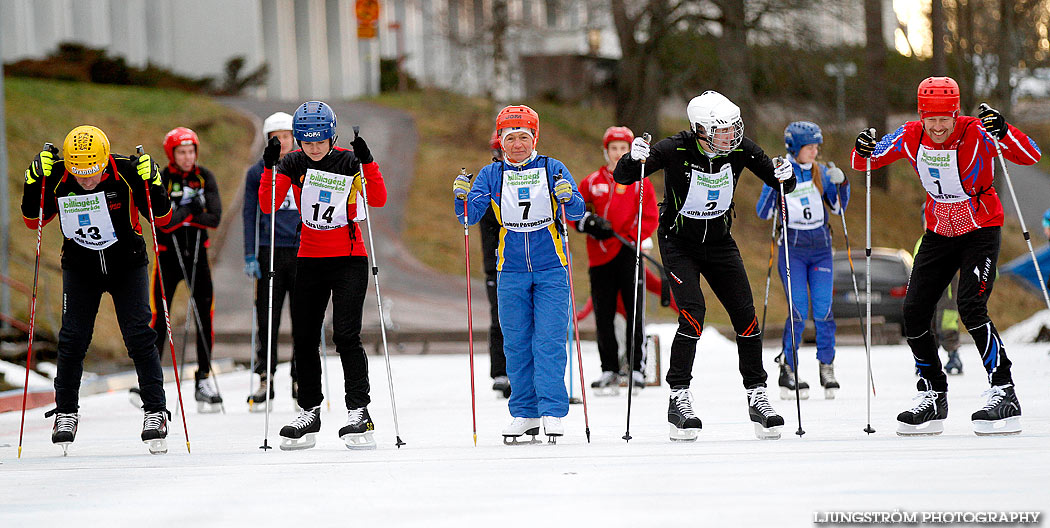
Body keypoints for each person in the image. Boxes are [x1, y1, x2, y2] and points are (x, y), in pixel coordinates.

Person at [851, 76, 1041, 435]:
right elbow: (866, 162)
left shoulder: (978, 131)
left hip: (980, 227)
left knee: (971, 306)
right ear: (921, 115)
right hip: (938, 231)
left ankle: (1004, 390)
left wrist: (1003, 130)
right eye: (930, 118)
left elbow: (1030, 154)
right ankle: (933, 394)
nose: (938, 127)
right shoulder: (910, 134)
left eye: (945, 118)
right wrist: (862, 148)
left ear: (956, 114)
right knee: (914, 310)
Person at [615, 91, 796, 441]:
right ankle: (679, 397)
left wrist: (786, 175)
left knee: (746, 314)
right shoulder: (675, 148)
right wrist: (629, 157)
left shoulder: (740, 150)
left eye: (733, 129)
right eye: (722, 130)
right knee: (694, 312)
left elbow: (779, 183)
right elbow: (626, 177)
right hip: (678, 243)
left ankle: (757, 395)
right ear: (700, 129)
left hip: (719, 243)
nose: (731, 136)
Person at [22, 125, 174, 454]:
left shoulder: (128, 171)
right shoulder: (59, 175)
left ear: (105, 161)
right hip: (80, 266)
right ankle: (65, 412)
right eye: (81, 174)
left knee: (138, 335)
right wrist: (33, 184)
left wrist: (155, 183)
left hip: (127, 263)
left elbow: (160, 218)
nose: (87, 180)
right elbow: (34, 221)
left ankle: (155, 411)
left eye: (93, 173)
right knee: (72, 338)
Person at [453, 105, 585, 443]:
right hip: (510, 270)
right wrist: (461, 198)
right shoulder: (491, 174)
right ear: (500, 141)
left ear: (534, 138)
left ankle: (553, 411)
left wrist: (568, 197)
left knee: (550, 341)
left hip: (551, 268)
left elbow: (578, 210)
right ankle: (525, 413)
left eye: (523, 137)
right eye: (510, 138)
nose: (517, 144)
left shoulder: (552, 168)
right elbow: (469, 217)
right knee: (516, 344)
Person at [260, 100, 387, 450]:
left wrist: (369, 161)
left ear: (332, 137)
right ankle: (309, 409)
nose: (314, 149)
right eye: (307, 142)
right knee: (303, 338)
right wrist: (270, 169)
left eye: (320, 142)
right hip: (310, 259)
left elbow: (377, 199)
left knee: (346, 335)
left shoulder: (348, 161)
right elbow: (269, 205)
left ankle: (359, 410)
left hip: (349, 259)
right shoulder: (293, 161)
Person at [755, 121, 849, 400]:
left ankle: (827, 366)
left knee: (823, 310)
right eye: (810, 147)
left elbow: (838, 207)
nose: (815, 151)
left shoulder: (820, 171)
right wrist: (775, 182)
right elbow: (763, 212)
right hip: (792, 250)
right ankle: (789, 368)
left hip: (820, 248)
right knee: (798, 310)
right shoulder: (781, 170)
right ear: (795, 148)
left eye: (816, 146)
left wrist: (841, 183)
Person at [576, 126, 658, 394]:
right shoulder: (592, 181)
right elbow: (574, 210)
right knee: (604, 313)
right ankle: (609, 368)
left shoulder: (641, 181)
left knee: (635, 310)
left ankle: (636, 367)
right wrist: (587, 223)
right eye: (614, 149)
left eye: (624, 149)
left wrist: (635, 236)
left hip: (628, 252)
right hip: (599, 255)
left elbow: (650, 218)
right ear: (606, 151)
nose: (619, 154)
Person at [150, 127, 223, 413]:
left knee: (205, 314)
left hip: (198, 255)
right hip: (168, 257)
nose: (187, 157)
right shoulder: (164, 178)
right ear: (172, 154)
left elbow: (215, 218)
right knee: (159, 317)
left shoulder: (205, 176)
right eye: (181, 152)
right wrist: (191, 211)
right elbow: (162, 221)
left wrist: (183, 213)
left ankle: (203, 379)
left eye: (191, 151)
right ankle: (150, 379)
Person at [243, 111, 301, 411]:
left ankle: (300, 377)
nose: (282, 142)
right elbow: (249, 214)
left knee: (303, 317)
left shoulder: (305, 167)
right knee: (268, 316)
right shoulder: (258, 172)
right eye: (275, 138)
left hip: (301, 249)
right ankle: (266, 378)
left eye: (286, 136)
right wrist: (250, 253)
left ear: (295, 138)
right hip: (270, 249)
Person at [481, 131, 510, 398]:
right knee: (499, 318)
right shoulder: (490, 180)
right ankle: (500, 371)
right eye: (500, 151)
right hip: (496, 262)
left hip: (523, 262)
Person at [913, 231, 963, 375]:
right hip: (926, 289)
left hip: (946, 290)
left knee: (947, 322)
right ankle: (927, 358)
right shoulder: (922, 241)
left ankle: (953, 355)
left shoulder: (948, 237)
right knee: (928, 324)